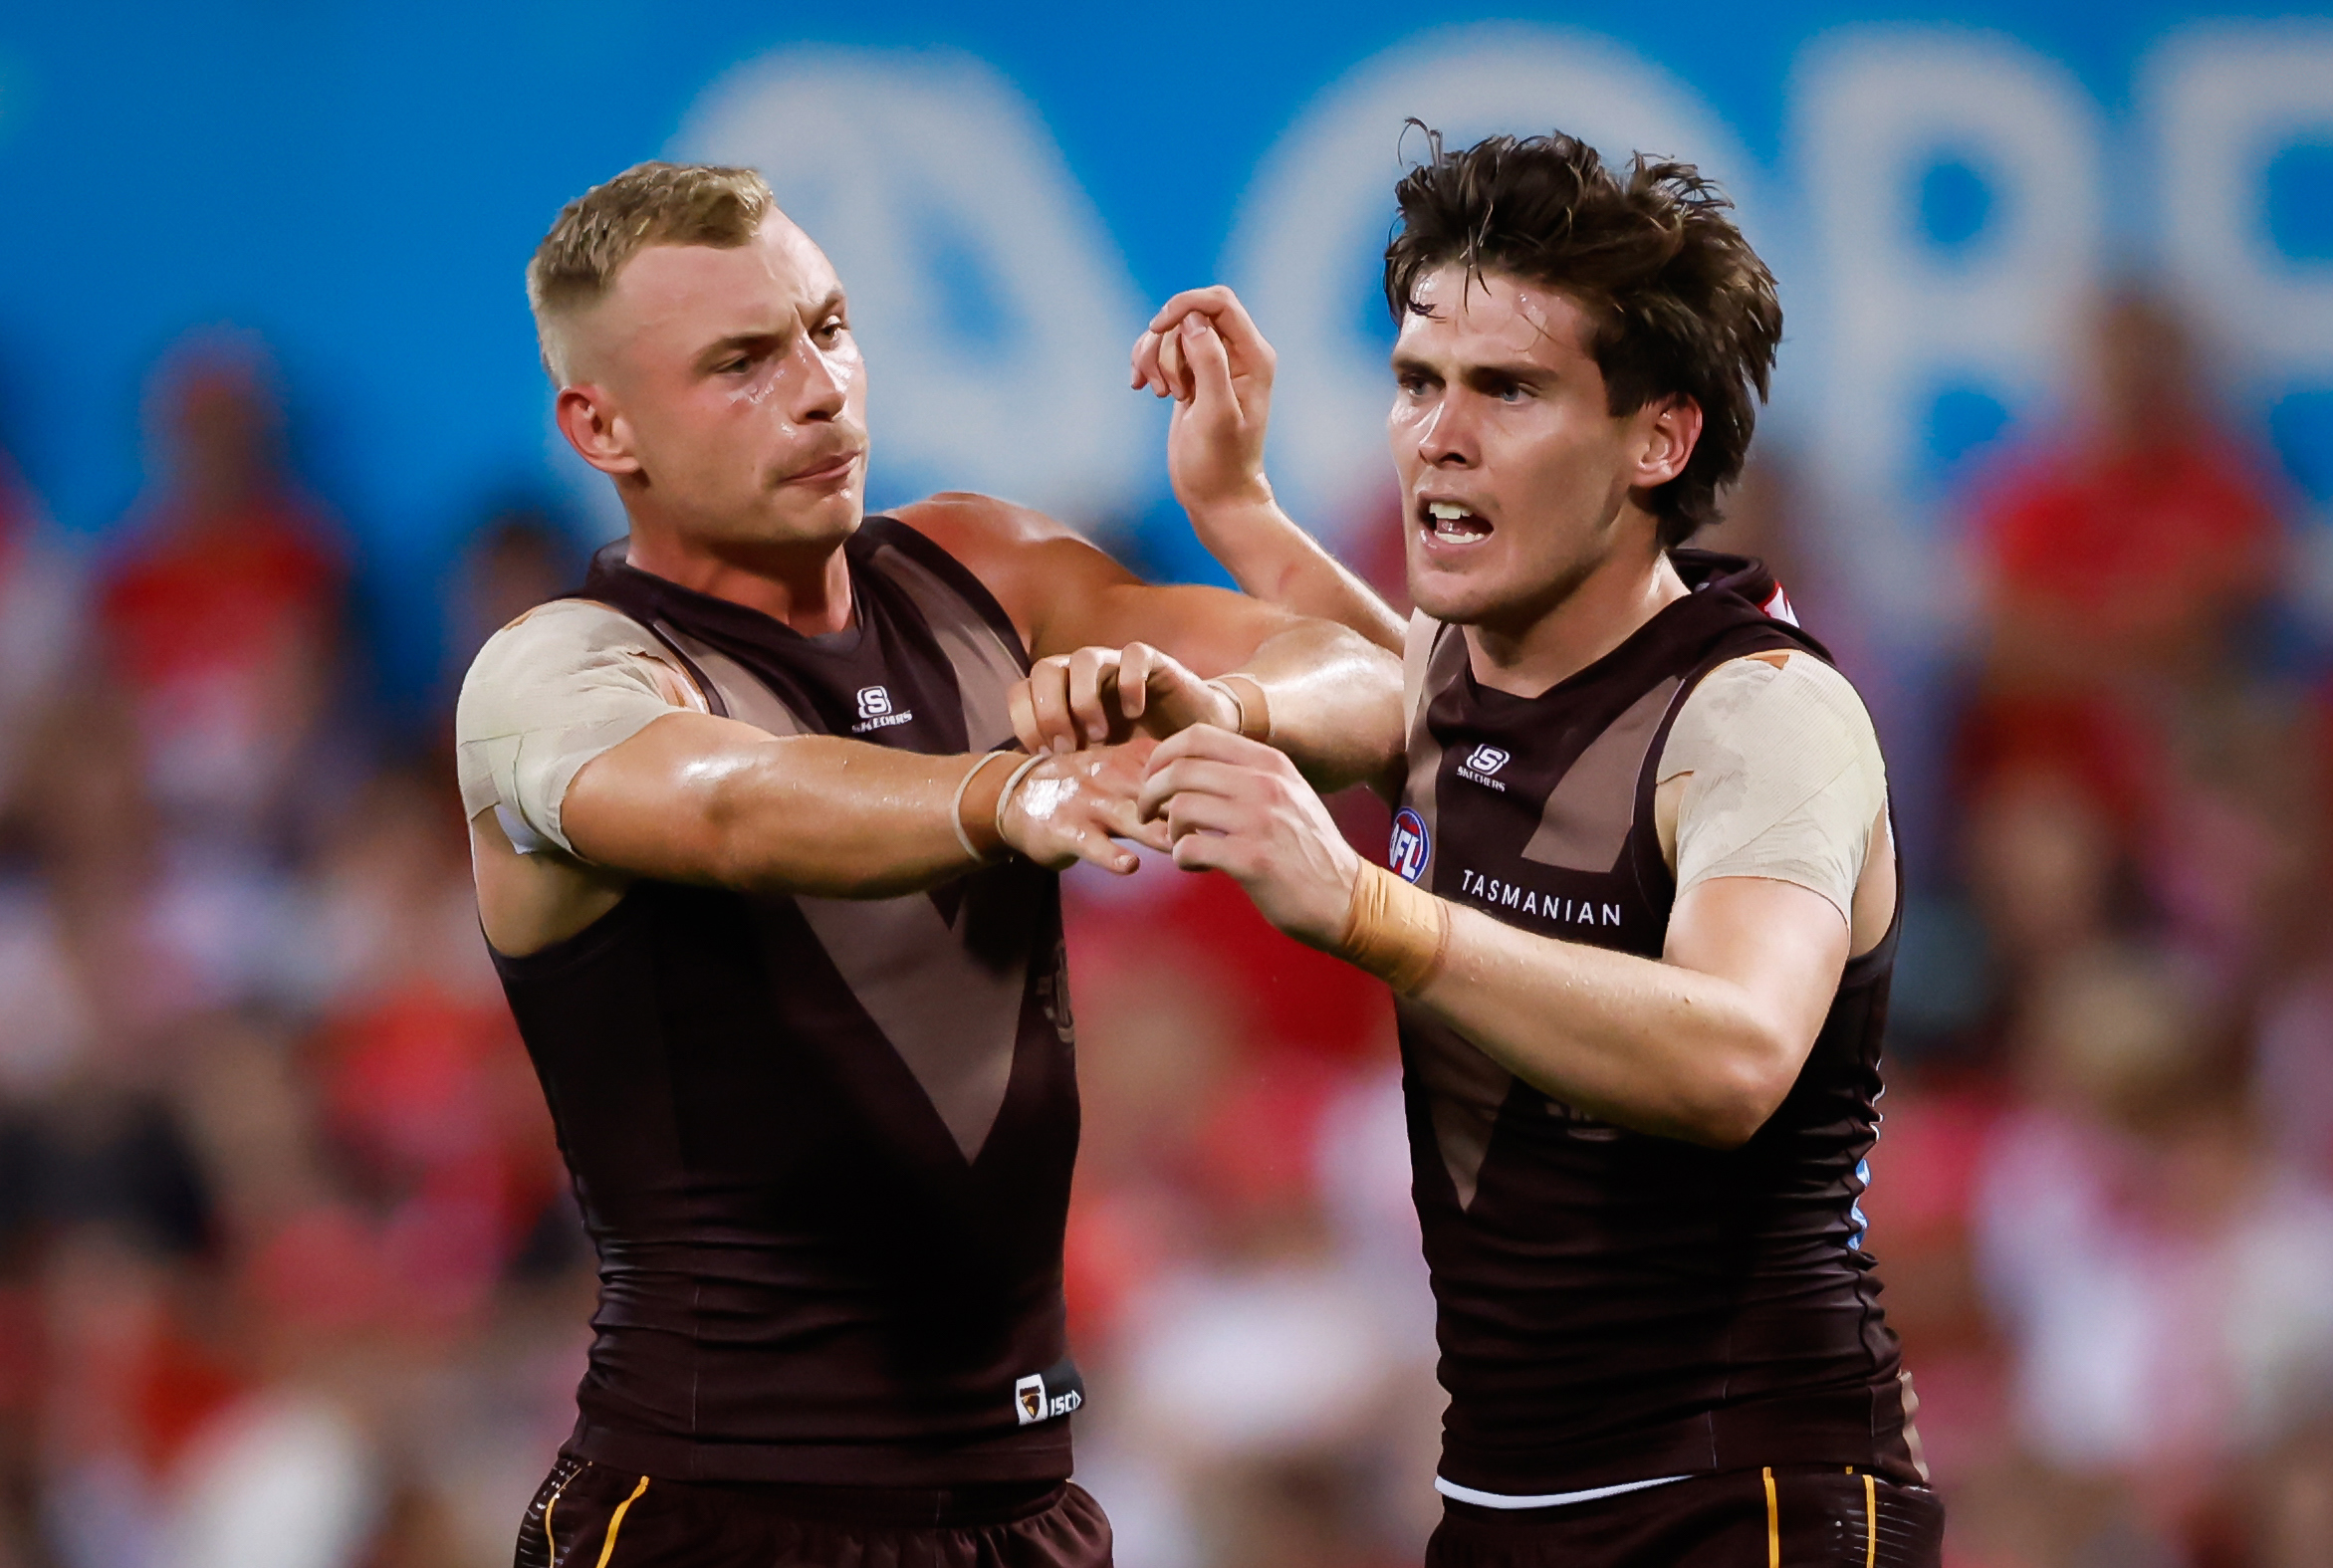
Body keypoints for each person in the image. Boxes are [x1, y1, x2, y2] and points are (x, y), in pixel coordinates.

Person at [457, 162, 1399, 1568]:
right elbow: (732, 804)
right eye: (741, 361)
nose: (820, 387)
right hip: (714, 1518)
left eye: (828, 329)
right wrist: (1002, 794)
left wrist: (1224, 706)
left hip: (1020, 1516)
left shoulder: (983, 574)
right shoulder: (558, 673)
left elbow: (1386, 690)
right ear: (603, 427)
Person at [1106, 131, 1943, 1565]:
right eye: (1417, 383)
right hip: (1500, 1512)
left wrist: (1366, 908)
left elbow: (1733, 1055)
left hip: (1748, 1504)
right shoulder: (1476, 672)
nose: (1439, 432)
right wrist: (1233, 505)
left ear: (1657, 440)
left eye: (1509, 390)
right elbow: (1414, 684)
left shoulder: (1762, 716)